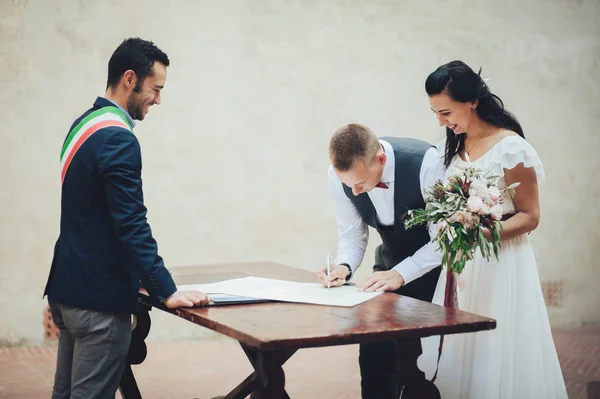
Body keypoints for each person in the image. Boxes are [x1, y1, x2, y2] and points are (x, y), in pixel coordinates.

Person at [43, 37, 209, 399]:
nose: (158, 100)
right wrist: (167, 290)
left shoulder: (82, 126)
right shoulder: (118, 139)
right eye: (156, 89)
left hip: (68, 288)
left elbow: (88, 216)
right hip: (98, 301)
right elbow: (131, 225)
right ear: (130, 79)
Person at [418, 60, 568, 398]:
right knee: (462, 347)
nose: (441, 121)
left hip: (501, 264)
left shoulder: (511, 148)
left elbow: (530, 216)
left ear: (472, 101)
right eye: (435, 114)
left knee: (496, 348)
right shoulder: (456, 145)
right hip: (462, 266)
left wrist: (480, 234)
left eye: (445, 112)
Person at [316, 123, 444, 399]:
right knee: (374, 345)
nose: (357, 191)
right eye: (350, 185)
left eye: (361, 183)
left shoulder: (426, 163)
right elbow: (352, 234)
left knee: (418, 357)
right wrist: (344, 266)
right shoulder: (340, 175)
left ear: (381, 160)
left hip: (435, 271)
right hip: (387, 265)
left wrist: (401, 274)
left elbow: (443, 239)